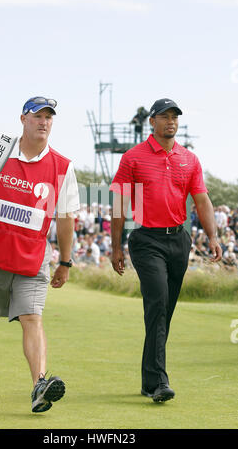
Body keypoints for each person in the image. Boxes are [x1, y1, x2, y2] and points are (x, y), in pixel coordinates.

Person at [0, 96, 80, 413]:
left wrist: (65, 262)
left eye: (49, 117)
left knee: (32, 318)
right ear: (23, 119)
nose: (44, 122)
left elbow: (66, 219)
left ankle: (40, 384)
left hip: (32, 260)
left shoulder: (63, 168)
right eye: (37, 116)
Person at [110, 98, 222, 403]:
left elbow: (201, 201)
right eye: (164, 116)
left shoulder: (190, 159)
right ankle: (160, 381)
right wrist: (115, 246)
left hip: (179, 240)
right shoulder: (133, 158)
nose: (171, 121)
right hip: (146, 240)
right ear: (152, 122)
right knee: (158, 302)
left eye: (174, 117)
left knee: (164, 311)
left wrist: (212, 236)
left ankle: (149, 380)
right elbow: (120, 204)